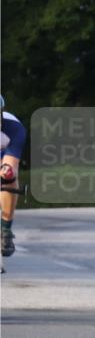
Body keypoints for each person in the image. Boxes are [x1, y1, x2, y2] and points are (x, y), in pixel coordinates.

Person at [0, 95, 27, 257]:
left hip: (4, 153)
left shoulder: (13, 127)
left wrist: (5, 171)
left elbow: (10, 165)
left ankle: (6, 229)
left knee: (9, 176)